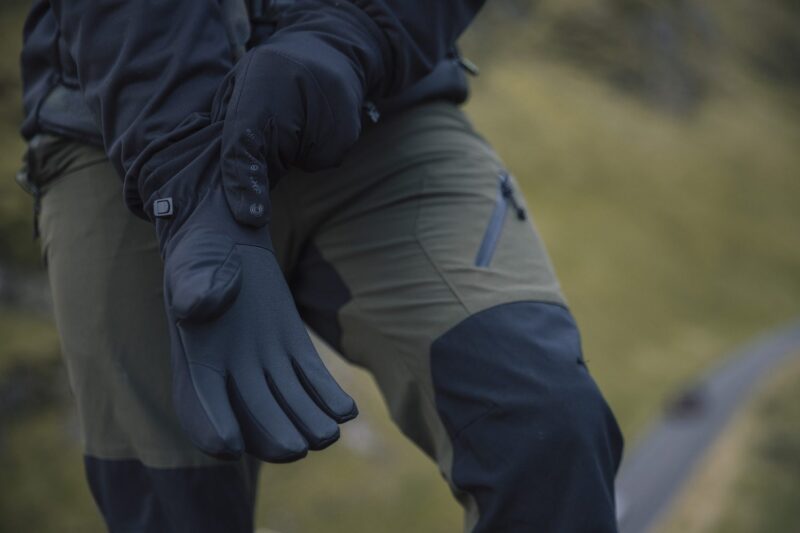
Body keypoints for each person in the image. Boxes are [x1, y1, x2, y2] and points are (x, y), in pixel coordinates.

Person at [18, 1, 623, 531]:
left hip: (373, 101)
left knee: (548, 430)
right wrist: (190, 186)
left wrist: (350, 32)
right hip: (120, 128)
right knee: (170, 503)